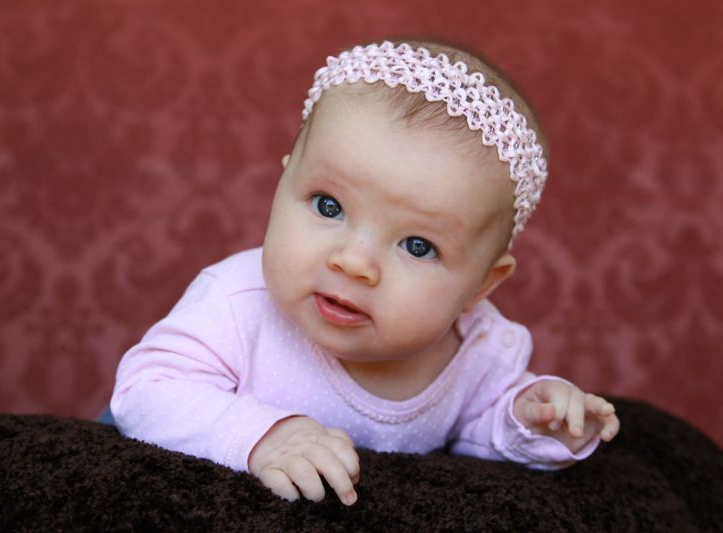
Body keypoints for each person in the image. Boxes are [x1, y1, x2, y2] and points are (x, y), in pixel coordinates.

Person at [110, 39, 620, 507]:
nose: (353, 262)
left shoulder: (479, 349)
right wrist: (264, 436)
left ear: (481, 285)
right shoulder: (236, 302)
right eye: (328, 206)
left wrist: (534, 422)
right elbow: (146, 391)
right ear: (283, 180)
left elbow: (478, 430)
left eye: (417, 246)